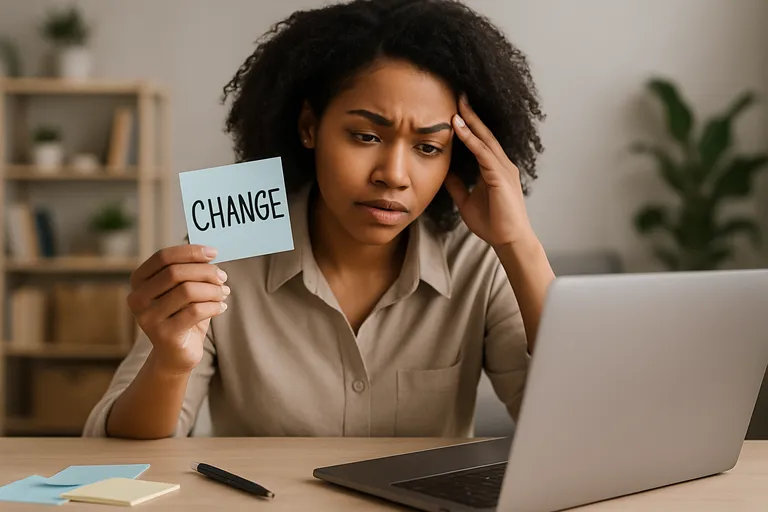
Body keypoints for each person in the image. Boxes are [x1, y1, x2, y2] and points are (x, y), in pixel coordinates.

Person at [83, 0, 555, 439]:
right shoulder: (231, 239)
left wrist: (520, 244)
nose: (393, 175)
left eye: (428, 147)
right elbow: (118, 448)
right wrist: (169, 364)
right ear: (310, 126)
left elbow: (573, 431)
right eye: (365, 136)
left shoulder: (479, 260)